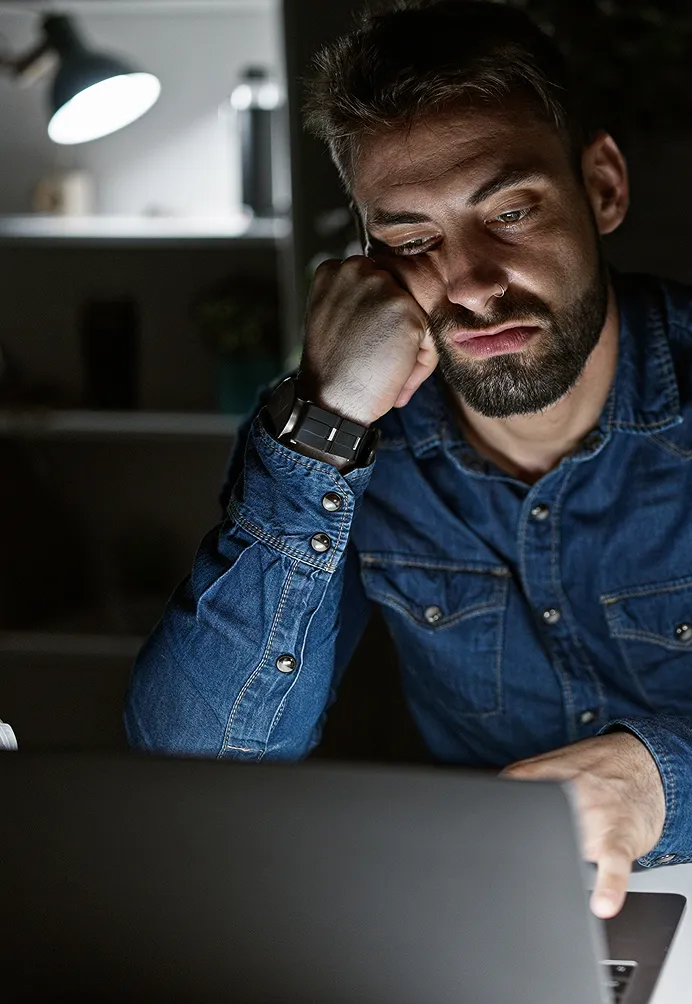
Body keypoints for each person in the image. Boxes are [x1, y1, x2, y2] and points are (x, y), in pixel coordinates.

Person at [125, 0, 692, 920]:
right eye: (413, 240)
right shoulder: (334, 446)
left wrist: (664, 785)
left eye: (510, 212)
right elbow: (199, 765)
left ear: (603, 187)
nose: (470, 284)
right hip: (495, 929)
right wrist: (327, 420)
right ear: (367, 261)